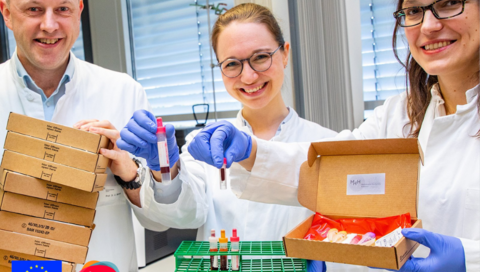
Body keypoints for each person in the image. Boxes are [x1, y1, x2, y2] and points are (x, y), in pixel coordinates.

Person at [185, 0, 480, 271]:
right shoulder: (398, 115)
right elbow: (332, 172)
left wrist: (469, 258)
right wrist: (250, 151)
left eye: (449, 3)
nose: (428, 26)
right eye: (414, 11)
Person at [116, 3, 336, 270]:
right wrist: (165, 168)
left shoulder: (326, 145)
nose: (249, 75)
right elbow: (183, 213)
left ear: (285, 54)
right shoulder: (205, 146)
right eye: (232, 64)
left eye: (261, 57)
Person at [0, 1, 176, 271]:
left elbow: (161, 222)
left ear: (79, 11)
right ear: (7, 13)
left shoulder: (123, 92)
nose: (49, 25)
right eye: (33, 9)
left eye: (62, 9)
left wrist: (129, 171)